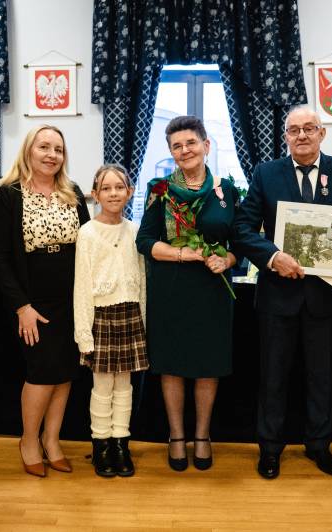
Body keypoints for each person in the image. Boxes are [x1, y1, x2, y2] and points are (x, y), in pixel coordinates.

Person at [233, 105, 332, 480]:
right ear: (286, 137)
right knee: (273, 376)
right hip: (278, 296)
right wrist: (272, 256)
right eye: (294, 130)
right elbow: (243, 228)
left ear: (322, 133)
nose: (302, 135)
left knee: (322, 376)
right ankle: (270, 449)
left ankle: (319, 445)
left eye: (310, 128)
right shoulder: (266, 173)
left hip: (327, 296)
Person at [136, 115, 238, 471]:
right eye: (176, 146)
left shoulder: (227, 190)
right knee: (172, 366)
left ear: (206, 145)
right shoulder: (159, 189)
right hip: (171, 290)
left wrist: (227, 259)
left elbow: (239, 241)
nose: (185, 150)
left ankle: (203, 435)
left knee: (208, 366)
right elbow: (144, 241)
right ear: (171, 152)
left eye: (191, 143)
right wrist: (182, 254)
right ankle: (176, 436)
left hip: (213, 290)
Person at [0, 125, 90, 478]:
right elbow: (0, 256)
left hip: (71, 298)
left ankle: (52, 439)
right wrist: (22, 306)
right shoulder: (10, 194)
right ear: (29, 150)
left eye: (58, 149)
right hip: (33, 301)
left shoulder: (72, 192)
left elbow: (88, 242)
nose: (51, 154)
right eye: (44, 147)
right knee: (42, 372)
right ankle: (29, 440)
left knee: (65, 372)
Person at [74, 164, 148, 478]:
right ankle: (101, 445)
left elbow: (141, 279)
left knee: (125, 386)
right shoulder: (87, 233)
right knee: (102, 385)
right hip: (101, 316)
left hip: (130, 314)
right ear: (95, 194)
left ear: (129, 192)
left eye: (119, 187)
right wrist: (83, 333)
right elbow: (81, 285)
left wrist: (144, 320)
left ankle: (121, 444)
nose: (113, 193)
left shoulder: (135, 230)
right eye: (106, 188)